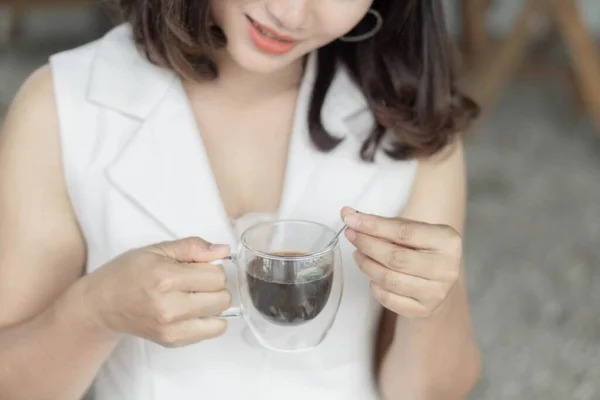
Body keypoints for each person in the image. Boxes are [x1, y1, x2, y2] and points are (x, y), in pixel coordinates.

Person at [0, 1, 482, 399]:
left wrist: (432, 304)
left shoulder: (411, 120)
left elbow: (433, 393)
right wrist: (95, 311)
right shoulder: (62, 107)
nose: (290, 14)